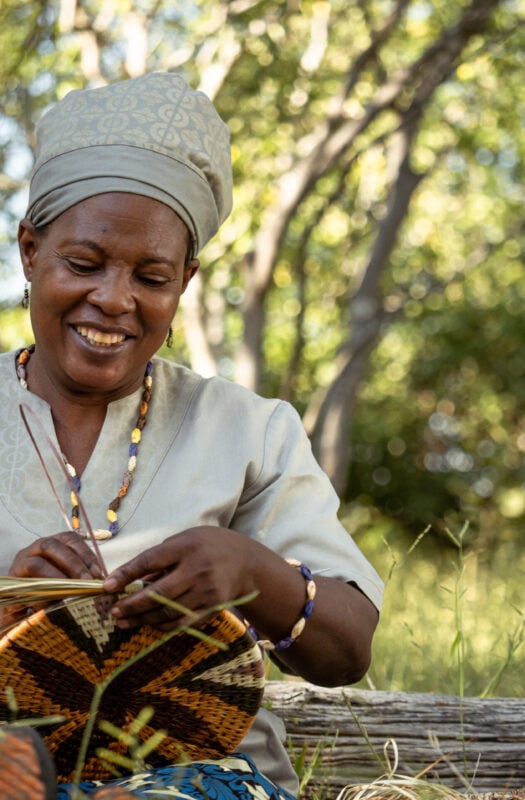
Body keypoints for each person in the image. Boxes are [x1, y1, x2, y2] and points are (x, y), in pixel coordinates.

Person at [0, 72, 384, 800]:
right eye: (83, 264)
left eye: (152, 276)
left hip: (199, 782)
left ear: (186, 281)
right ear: (28, 251)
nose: (114, 299)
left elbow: (348, 648)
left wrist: (254, 572)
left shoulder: (248, 429)